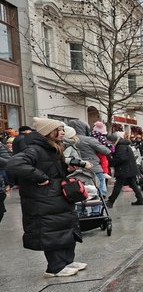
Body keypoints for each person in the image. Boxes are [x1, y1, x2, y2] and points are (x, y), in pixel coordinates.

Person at [5, 118, 85, 278]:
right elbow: (14, 164)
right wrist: (40, 177)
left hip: (56, 195)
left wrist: (67, 169)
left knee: (64, 227)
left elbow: (53, 171)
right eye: (59, 129)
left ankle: (67, 261)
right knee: (52, 231)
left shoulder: (53, 148)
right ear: (48, 131)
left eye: (63, 129)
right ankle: (55, 267)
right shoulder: (35, 149)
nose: (63, 132)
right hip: (43, 197)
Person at [66, 120, 111, 199]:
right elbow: (106, 151)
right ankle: (96, 211)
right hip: (94, 168)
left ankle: (82, 211)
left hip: (75, 171)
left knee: (80, 193)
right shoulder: (89, 139)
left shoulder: (66, 140)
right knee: (97, 194)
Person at [106, 133, 143, 207]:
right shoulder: (124, 145)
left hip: (124, 169)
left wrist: (111, 161)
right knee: (133, 185)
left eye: (110, 142)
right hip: (129, 169)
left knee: (118, 186)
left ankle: (110, 202)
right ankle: (140, 199)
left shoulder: (120, 147)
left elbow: (121, 158)